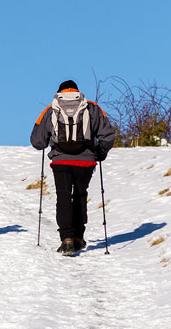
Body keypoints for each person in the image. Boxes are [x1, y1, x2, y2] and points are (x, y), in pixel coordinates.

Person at [30, 80, 115, 255]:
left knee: (63, 197)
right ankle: (78, 237)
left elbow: (37, 142)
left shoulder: (50, 109)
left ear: (59, 92)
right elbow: (107, 135)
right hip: (86, 161)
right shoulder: (92, 108)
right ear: (77, 91)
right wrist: (100, 152)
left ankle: (66, 239)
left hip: (61, 161)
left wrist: (48, 140)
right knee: (80, 195)